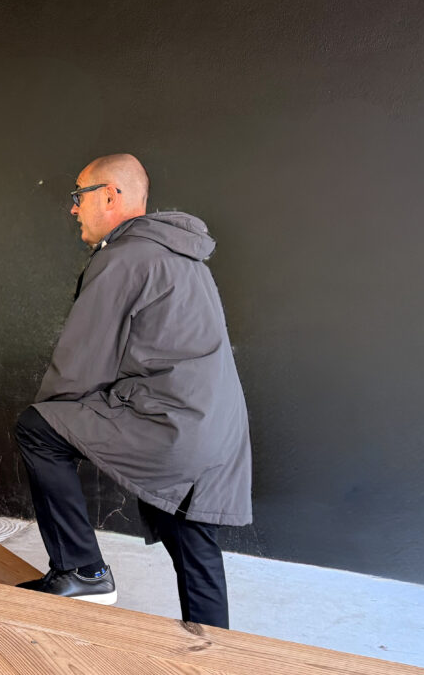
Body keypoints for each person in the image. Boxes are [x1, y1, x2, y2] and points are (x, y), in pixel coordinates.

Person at [14, 153, 251, 628]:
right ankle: (216, 652)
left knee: (37, 428)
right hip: (217, 432)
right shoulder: (184, 255)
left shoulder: (123, 258)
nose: (74, 209)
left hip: (170, 424)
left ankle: (83, 572)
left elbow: (82, 362)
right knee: (189, 539)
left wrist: (59, 417)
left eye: (79, 195)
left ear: (109, 196)